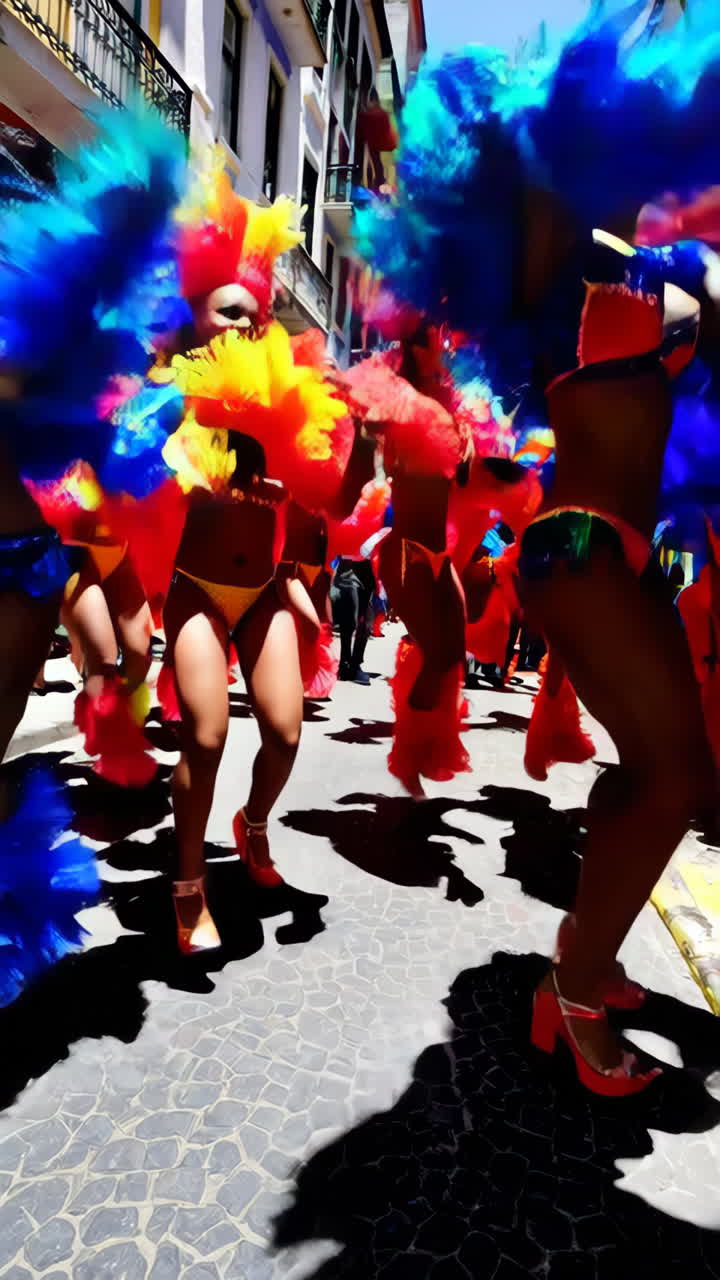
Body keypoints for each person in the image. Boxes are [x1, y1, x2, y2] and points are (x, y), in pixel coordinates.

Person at [355, 7, 720, 1094]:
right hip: (580, 549)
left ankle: (589, 964)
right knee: (679, 777)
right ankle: (573, 984)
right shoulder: (563, 264)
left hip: (612, 551)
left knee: (656, 768)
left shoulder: (643, 260)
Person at [156, 162, 352, 954]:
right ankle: (187, 885)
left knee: (285, 731)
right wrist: (205, 471)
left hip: (263, 588)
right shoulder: (170, 389)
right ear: (196, 314)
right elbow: (148, 476)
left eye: (258, 314)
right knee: (204, 737)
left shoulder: (282, 396)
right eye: (230, 310)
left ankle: (253, 823)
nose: (247, 323)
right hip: (197, 588)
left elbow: (324, 500)